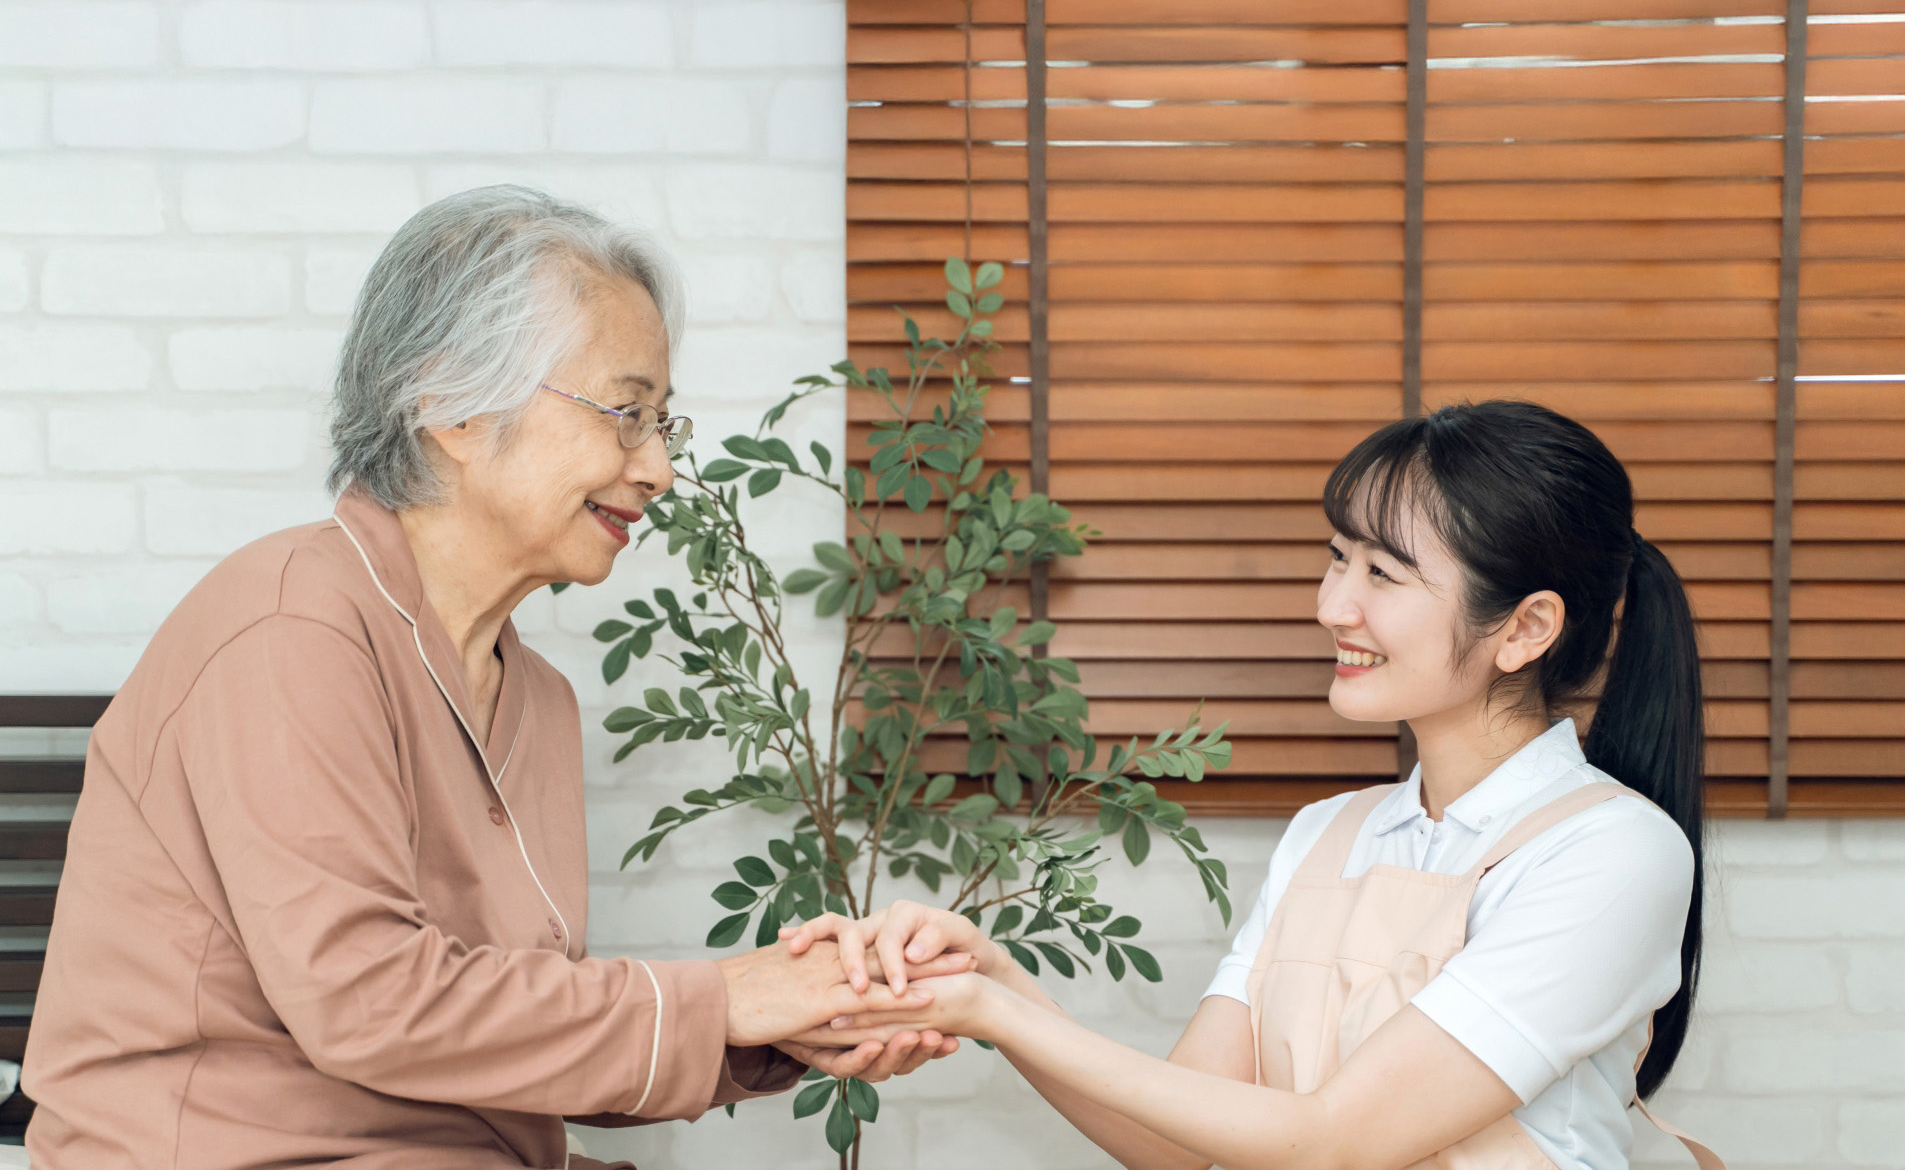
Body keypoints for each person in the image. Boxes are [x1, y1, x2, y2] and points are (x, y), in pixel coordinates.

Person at [22, 187, 957, 1168]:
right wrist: (718, 998)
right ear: (451, 404)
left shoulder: (539, 696)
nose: (660, 472)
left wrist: (767, 1027)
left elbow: (500, 1031)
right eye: (625, 412)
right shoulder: (290, 623)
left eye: (662, 425)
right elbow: (368, 999)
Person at [785, 400, 1725, 1170]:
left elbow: (1332, 1139)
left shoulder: (1611, 853)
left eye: (1383, 574)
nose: (1332, 605)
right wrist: (995, 982)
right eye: (1337, 556)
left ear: (1524, 629)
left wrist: (986, 1011)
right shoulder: (1327, 835)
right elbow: (1180, 1141)